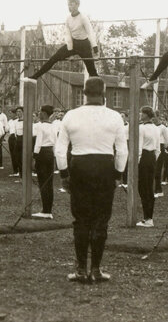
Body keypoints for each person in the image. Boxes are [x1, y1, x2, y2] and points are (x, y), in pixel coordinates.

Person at [54, 77, 128, 282]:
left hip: (80, 166)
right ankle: (95, 269)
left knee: (81, 220)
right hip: (105, 167)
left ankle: (80, 269)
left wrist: (64, 175)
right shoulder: (114, 117)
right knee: (101, 219)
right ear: (104, 94)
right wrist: (117, 174)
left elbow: (60, 150)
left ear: (84, 93)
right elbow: (122, 150)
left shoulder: (71, 115)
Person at [26, 0, 99, 80]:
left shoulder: (83, 18)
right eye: (68, 5)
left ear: (77, 5)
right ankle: (35, 77)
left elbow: (90, 33)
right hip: (73, 44)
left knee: (92, 71)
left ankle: (100, 89)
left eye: (71, 4)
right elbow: (68, 35)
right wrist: (70, 51)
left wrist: (95, 50)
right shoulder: (68, 19)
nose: (69, 7)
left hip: (84, 45)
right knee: (53, 58)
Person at [137, 106, 161, 227]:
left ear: (147, 115)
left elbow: (139, 147)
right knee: (148, 188)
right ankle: (148, 217)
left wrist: (138, 162)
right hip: (151, 158)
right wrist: (153, 160)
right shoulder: (156, 128)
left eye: (142, 112)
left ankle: (148, 218)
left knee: (143, 188)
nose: (140, 114)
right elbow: (158, 149)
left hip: (144, 158)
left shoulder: (141, 128)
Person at [31, 105, 57, 214]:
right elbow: (56, 143)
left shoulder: (41, 127)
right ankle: (48, 210)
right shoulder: (53, 126)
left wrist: (34, 158)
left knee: (43, 182)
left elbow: (38, 143)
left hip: (42, 153)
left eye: (40, 112)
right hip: (50, 153)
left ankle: (45, 211)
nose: (39, 114)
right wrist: (55, 158)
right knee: (49, 183)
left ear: (45, 114)